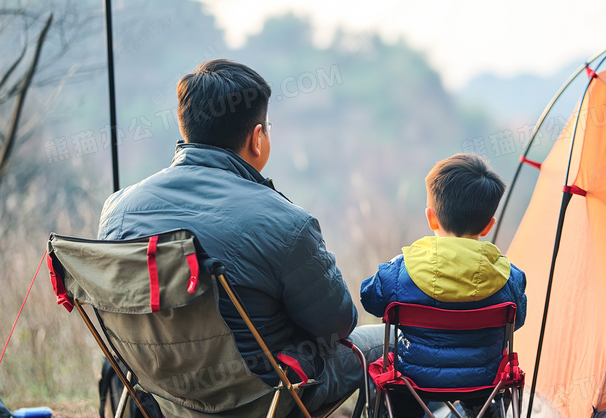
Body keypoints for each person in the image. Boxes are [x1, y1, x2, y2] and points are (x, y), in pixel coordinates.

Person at [98, 59, 384, 416]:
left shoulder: (118, 211)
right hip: (264, 398)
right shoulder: (284, 222)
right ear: (257, 137)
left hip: (163, 395)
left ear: (185, 127)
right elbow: (338, 323)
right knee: (389, 346)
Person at [360, 153, 527, 418]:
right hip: (484, 386)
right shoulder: (509, 278)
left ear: (431, 218)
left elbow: (370, 298)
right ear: (487, 226)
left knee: (382, 372)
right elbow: (515, 322)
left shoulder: (401, 271)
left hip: (413, 381)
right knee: (485, 395)